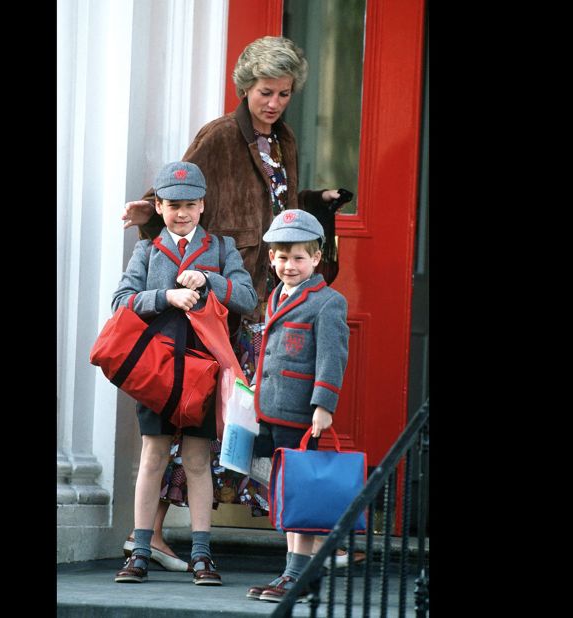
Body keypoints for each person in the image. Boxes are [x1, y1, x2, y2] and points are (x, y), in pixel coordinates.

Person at [119, 34, 348, 561]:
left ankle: (304, 532)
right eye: (266, 92)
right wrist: (148, 221)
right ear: (246, 87)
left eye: (285, 94)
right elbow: (180, 197)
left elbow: (278, 205)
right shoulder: (219, 137)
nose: (274, 103)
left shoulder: (285, 140)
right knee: (194, 411)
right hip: (214, 298)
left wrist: (317, 203)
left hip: (265, 294)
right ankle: (150, 534)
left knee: (249, 418)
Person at [111, 161, 257, 585]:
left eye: (190, 205)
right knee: (153, 456)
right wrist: (165, 296)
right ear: (158, 205)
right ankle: (139, 550)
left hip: (204, 370)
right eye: (173, 205)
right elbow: (122, 301)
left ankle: (201, 555)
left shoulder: (222, 248)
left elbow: (246, 296)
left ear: (202, 205)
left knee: (196, 460)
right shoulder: (148, 250)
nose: (181, 213)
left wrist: (209, 279)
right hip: (156, 371)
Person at [245, 209, 350, 603]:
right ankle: (294, 572)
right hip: (270, 409)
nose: (290, 266)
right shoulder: (275, 296)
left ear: (317, 258)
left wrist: (323, 403)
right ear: (271, 258)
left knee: (300, 495)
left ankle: (297, 574)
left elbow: (332, 356)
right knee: (285, 496)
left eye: (299, 258)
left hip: (301, 414)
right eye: (283, 257)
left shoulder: (327, 302)